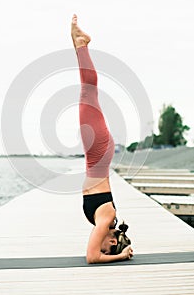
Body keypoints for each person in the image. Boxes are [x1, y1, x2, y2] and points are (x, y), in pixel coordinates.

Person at [71, 14, 133, 264]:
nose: (104, 249)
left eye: (108, 251)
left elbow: (94, 254)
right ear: (115, 241)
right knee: (88, 91)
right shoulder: (107, 219)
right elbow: (92, 257)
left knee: (88, 92)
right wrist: (120, 257)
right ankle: (81, 45)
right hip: (97, 152)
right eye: (111, 249)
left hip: (96, 155)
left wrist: (118, 255)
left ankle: (80, 45)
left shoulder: (105, 220)